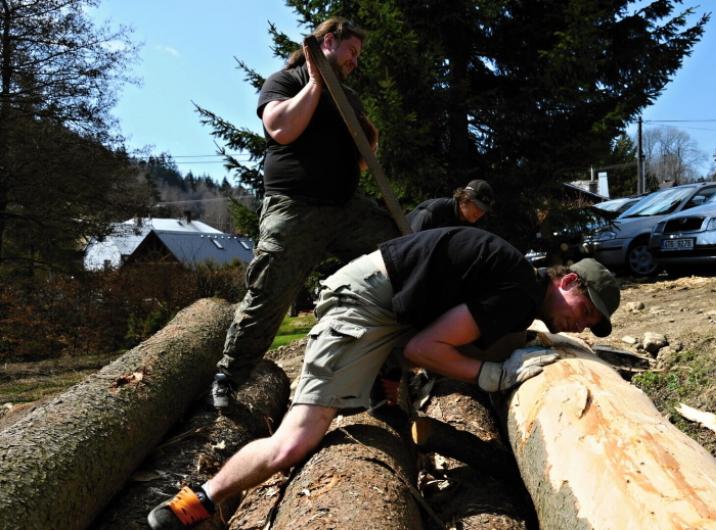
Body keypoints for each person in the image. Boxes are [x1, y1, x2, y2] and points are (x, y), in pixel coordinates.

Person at [147, 226, 620, 529]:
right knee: (294, 442)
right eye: (586, 311)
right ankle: (193, 503)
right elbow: (423, 348)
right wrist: (492, 375)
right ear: (568, 281)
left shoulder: (519, 288)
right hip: (363, 306)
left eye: (592, 324)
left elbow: (440, 332)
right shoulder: (517, 291)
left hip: (388, 309)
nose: (583, 325)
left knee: (402, 390)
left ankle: (378, 393)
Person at [211, 17, 399, 408]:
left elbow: (364, 151)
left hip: (346, 209)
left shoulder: (349, 97)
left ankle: (382, 376)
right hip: (295, 207)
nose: (355, 62)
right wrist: (315, 84)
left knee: (398, 260)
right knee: (270, 290)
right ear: (328, 41)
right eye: (352, 52)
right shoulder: (285, 81)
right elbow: (281, 129)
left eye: (358, 56)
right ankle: (229, 377)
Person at [407, 179, 495, 232]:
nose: (480, 213)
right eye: (478, 206)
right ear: (464, 198)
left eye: (483, 210)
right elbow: (411, 240)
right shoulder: (436, 210)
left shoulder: (470, 226)